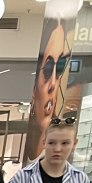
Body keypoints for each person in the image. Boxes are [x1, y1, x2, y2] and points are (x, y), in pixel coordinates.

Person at [27, 19, 73, 163]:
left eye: (59, 67)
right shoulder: (22, 176)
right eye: (47, 70)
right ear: (34, 88)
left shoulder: (78, 178)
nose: (53, 83)